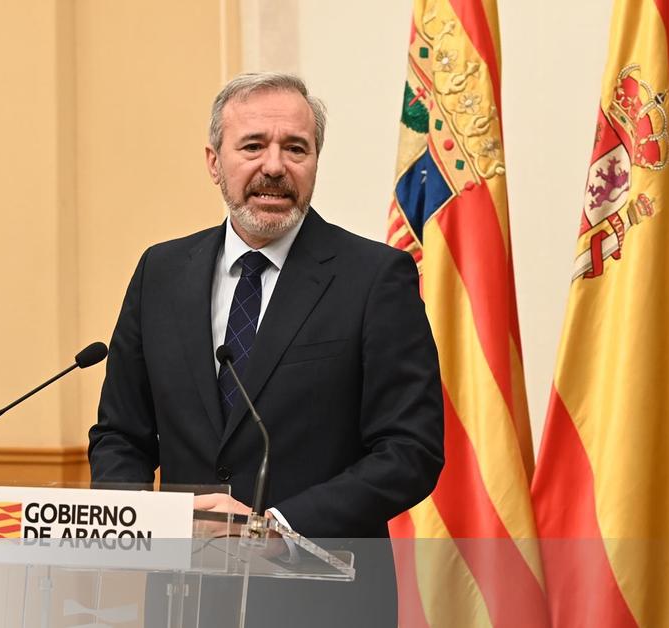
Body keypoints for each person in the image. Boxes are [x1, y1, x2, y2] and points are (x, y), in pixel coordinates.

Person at [88, 72, 444, 625]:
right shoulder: (161, 272)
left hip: (323, 603)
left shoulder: (375, 278)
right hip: (185, 601)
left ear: (315, 161)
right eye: (253, 146)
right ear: (214, 162)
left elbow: (409, 450)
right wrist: (143, 523)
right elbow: (120, 434)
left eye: (295, 148)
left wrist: (276, 528)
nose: (274, 166)